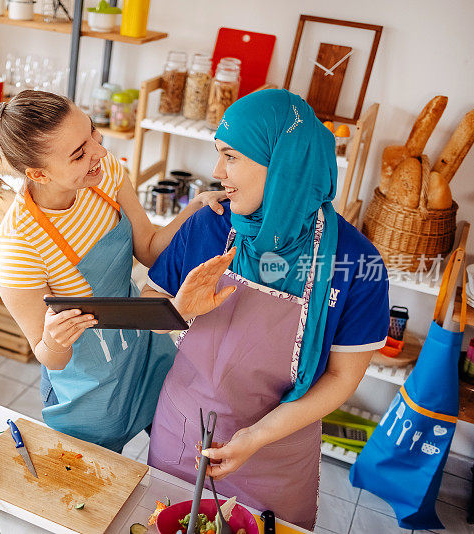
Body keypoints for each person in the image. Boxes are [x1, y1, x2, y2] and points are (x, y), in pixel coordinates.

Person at [142, 89, 390, 529]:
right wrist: (178, 309)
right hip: (182, 434)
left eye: (232, 157)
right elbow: (150, 305)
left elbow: (341, 377)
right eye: (218, 155)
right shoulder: (208, 223)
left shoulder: (355, 262)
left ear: (283, 163)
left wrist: (256, 437)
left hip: (275, 454)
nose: (217, 172)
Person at [0, 90, 224, 452]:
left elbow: (149, 248)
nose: (99, 152)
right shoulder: (19, 245)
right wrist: (55, 339)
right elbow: (48, 356)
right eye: (79, 154)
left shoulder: (106, 176)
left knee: (183, 459)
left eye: (91, 134)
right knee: (92, 492)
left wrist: (194, 211)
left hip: (148, 353)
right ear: (37, 173)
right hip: (90, 390)